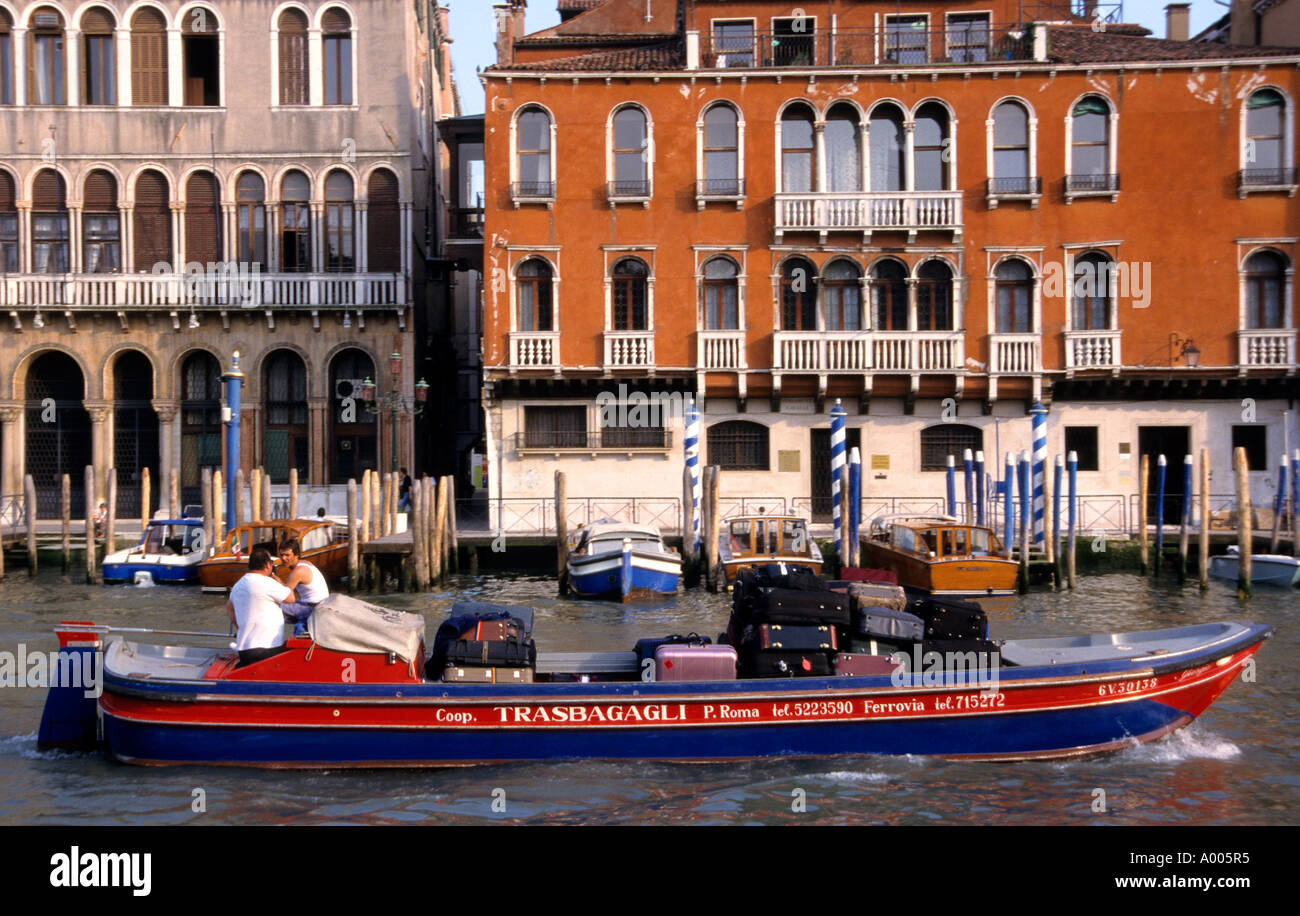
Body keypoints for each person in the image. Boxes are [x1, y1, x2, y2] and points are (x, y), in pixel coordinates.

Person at [226, 548, 295, 667]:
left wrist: (242, 627)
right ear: (268, 565)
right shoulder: (267, 583)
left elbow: (229, 609)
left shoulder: (238, 585)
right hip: (266, 648)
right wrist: (280, 583)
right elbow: (291, 598)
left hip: (244, 649)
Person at [278, 537, 329, 637]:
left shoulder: (298, 571)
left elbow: (285, 596)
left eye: (287, 555)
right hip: (318, 604)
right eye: (281, 555)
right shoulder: (306, 563)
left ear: (296, 555)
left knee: (274, 605)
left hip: (314, 608)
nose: (283, 558)